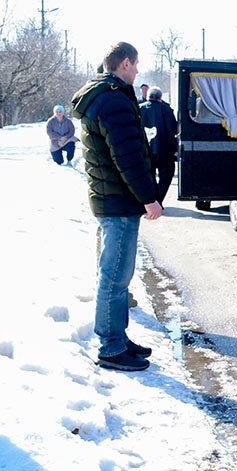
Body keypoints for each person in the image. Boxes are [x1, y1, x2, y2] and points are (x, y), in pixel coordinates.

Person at [70, 42, 162, 371]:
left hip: (112, 198)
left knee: (119, 275)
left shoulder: (105, 95)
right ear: (124, 63)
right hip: (118, 201)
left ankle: (118, 337)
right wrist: (148, 198)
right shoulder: (113, 100)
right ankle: (110, 347)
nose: (138, 71)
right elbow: (128, 157)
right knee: (114, 277)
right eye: (136, 64)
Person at [139, 87, 179, 205]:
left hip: (145, 150)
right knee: (166, 175)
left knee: (148, 176)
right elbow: (172, 131)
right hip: (164, 150)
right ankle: (158, 199)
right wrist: (175, 148)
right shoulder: (166, 109)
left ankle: (149, 200)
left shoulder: (140, 109)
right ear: (160, 97)